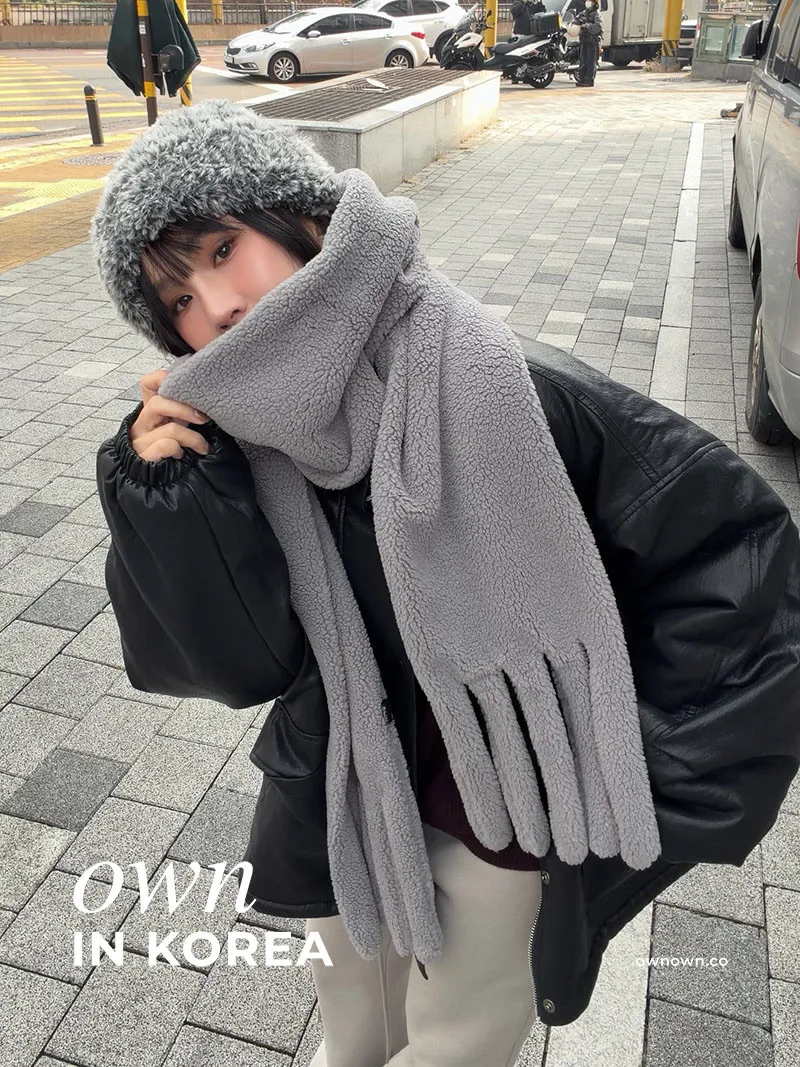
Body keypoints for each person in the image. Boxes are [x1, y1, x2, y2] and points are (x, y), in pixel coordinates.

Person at [92, 99, 800, 1067]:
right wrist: (166, 499)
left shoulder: (509, 386)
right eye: (175, 299)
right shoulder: (226, 451)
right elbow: (236, 667)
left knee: (452, 1047)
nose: (213, 306)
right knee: (352, 1034)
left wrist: (617, 762)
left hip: (501, 815)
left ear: (298, 214)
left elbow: (740, 565)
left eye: (221, 250)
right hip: (346, 800)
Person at [575, 0, 603, 86]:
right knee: (583, 61)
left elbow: (598, 26)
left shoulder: (596, 14)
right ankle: (582, 79)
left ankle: (589, 81)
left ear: (594, 3)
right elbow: (577, 19)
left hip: (592, 41)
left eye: (590, 1)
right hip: (584, 40)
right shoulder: (584, 13)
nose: (587, 2)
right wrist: (575, 22)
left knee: (590, 62)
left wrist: (586, 26)